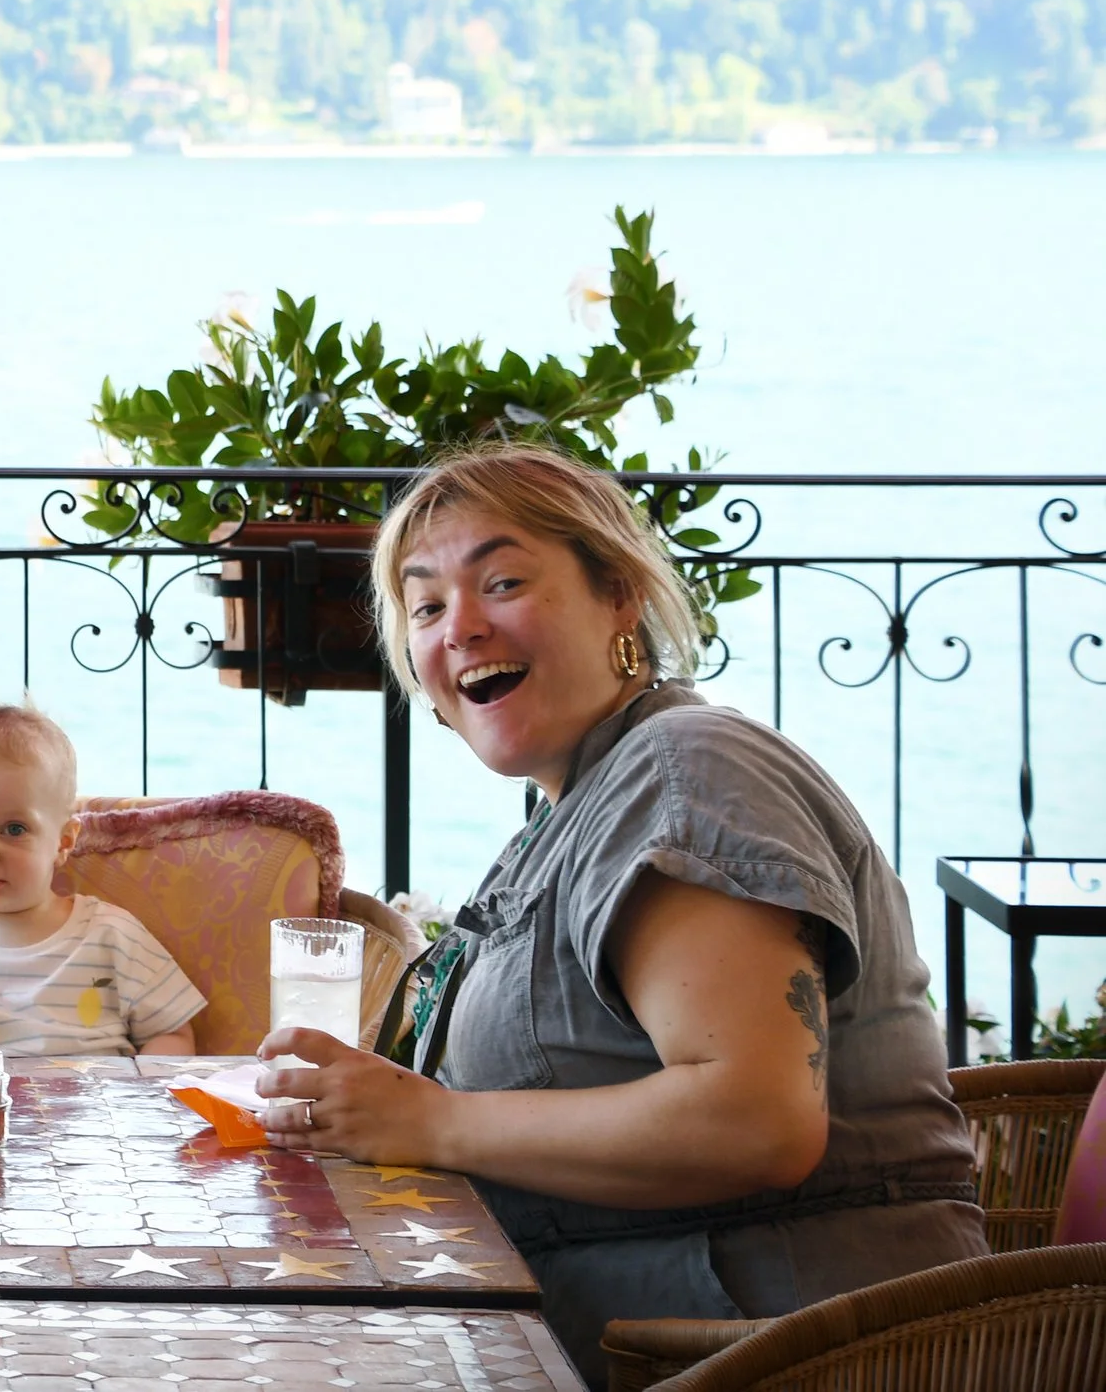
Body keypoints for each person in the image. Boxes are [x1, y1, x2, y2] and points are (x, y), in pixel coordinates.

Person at [249, 444, 983, 1386]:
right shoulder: (582, 803)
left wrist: (432, 1121)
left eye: (503, 581)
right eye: (426, 607)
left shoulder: (685, 771)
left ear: (619, 595)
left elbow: (757, 1120)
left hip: (777, 1350)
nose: (460, 626)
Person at [0, 704, 204, 1055]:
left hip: (98, 1091)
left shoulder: (110, 933)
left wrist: (143, 1085)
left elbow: (171, 1033)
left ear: (64, 841)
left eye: (14, 829)